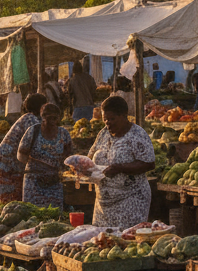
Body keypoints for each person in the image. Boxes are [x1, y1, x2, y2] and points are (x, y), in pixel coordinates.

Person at [87, 95, 155, 228]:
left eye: (112, 119)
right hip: (103, 205)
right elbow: (90, 156)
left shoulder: (137, 135)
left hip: (130, 201)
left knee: (126, 241)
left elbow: (149, 163)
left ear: (124, 116)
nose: (108, 123)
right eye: (105, 119)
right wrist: (82, 166)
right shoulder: (103, 133)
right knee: (102, 242)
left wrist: (119, 168)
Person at [18, 102, 73, 208]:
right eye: (47, 116)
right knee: (33, 213)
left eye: (54, 118)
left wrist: (59, 170)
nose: (50, 121)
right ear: (42, 117)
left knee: (54, 214)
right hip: (33, 182)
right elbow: (21, 154)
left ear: (58, 118)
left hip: (54, 183)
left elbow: (68, 156)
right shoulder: (33, 131)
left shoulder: (64, 134)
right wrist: (38, 168)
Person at [0, 93, 46, 203]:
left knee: (12, 193)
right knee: (9, 194)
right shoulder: (31, 120)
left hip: (8, 157)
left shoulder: (31, 118)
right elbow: (36, 144)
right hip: (8, 158)